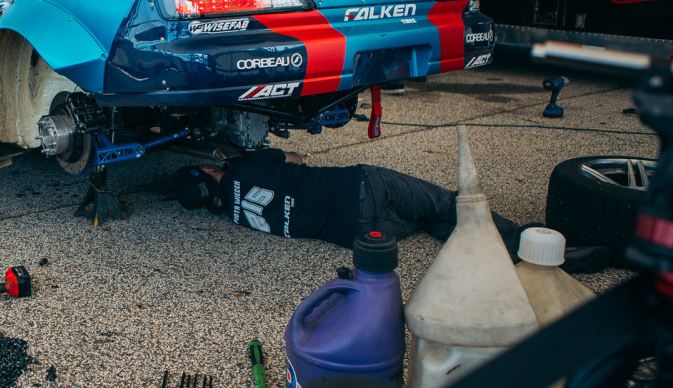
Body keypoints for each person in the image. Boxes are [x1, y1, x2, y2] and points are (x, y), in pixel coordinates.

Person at [172, 150, 610, 272]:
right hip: (367, 189)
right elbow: (296, 158)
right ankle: (539, 250)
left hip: (366, 231)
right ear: (209, 168)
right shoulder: (244, 166)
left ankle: (495, 249)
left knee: (437, 220)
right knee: (448, 205)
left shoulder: (227, 212)